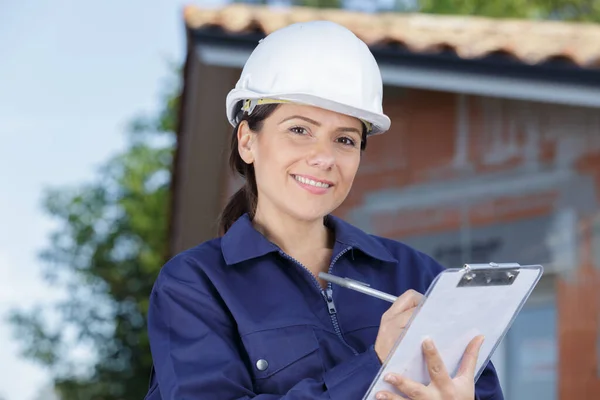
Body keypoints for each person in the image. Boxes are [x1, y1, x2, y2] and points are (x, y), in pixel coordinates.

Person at [145, 20, 503, 400]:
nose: (324, 158)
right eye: (300, 130)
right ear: (248, 141)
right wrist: (376, 363)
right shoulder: (196, 286)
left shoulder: (419, 275)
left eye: (345, 139)